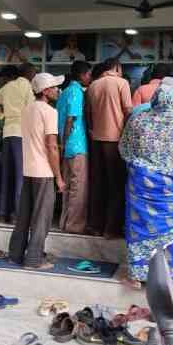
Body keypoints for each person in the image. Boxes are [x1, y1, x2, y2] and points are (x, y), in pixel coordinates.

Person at [119, 78, 173, 288]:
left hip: (140, 183)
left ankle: (137, 275)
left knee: (139, 227)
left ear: (155, 99)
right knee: (171, 228)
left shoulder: (138, 120)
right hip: (168, 188)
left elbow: (125, 146)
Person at [7, 73, 66, 270]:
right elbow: (51, 146)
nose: (58, 90)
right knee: (42, 218)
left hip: (29, 169)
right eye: (55, 87)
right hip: (44, 171)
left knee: (24, 216)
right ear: (45, 91)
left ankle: (15, 254)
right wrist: (59, 177)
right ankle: (33, 259)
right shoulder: (49, 112)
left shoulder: (27, 109)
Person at [86, 57, 133, 238]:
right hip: (115, 141)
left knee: (98, 184)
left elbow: (88, 114)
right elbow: (128, 111)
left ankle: (95, 226)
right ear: (117, 68)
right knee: (116, 185)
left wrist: (93, 130)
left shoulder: (93, 86)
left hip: (96, 140)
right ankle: (111, 229)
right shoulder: (122, 83)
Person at [0, 62, 36, 222]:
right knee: (21, 175)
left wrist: (1, 115)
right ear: (28, 74)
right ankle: (17, 215)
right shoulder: (27, 86)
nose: (34, 76)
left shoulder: (7, 87)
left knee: (6, 174)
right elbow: (31, 109)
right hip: (22, 133)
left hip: (8, 133)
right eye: (34, 73)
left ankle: (2, 212)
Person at [56, 61, 92, 234]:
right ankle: (75, 226)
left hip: (66, 147)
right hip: (77, 145)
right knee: (78, 188)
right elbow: (71, 118)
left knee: (68, 187)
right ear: (83, 75)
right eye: (88, 74)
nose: (90, 78)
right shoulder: (77, 92)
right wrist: (65, 141)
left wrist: (62, 145)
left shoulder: (63, 93)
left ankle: (64, 223)